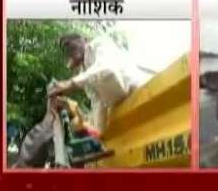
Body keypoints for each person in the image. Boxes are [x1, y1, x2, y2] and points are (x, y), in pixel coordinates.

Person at [48, 34, 147, 167]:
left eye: (69, 45)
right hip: (120, 105)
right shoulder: (83, 70)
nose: (70, 51)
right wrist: (99, 137)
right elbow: (97, 101)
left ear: (82, 40)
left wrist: (71, 83)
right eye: (67, 51)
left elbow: (105, 68)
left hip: (137, 93)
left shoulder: (100, 44)